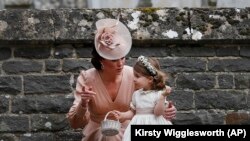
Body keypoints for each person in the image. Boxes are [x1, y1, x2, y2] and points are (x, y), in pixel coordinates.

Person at [66, 17, 176, 141]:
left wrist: (168, 109)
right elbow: (75, 123)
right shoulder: (87, 78)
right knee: (110, 136)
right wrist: (84, 103)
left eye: (122, 57)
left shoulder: (133, 76)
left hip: (129, 130)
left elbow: (153, 97)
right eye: (114, 60)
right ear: (101, 59)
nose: (120, 64)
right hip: (100, 132)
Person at [113, 55, 172, 141]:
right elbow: (133, 112)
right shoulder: (136, 94)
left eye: (137, 76)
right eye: (134, 75)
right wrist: (123, 115)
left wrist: (163, 96)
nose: (134, 79)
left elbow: (158, 113)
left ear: (150, 79)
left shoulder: (159, 94)